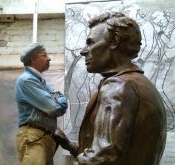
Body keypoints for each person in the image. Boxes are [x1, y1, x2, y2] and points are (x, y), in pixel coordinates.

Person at [54, 12, 167, 165]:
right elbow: (113, 151)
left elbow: (103, 159)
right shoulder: (140, 83)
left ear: (114, 41)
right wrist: (67, 144)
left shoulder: (118, 87)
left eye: (90, 42)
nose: (83, 51)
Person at [15, 42, 67, 165]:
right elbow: (54, 108)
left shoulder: (39, 82)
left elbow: (61, 101)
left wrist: (58, 100)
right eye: (44, 55)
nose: (49, 58)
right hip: (34, 138)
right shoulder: (27, 80)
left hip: (42, 137)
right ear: (33, 58)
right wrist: (57, 100)